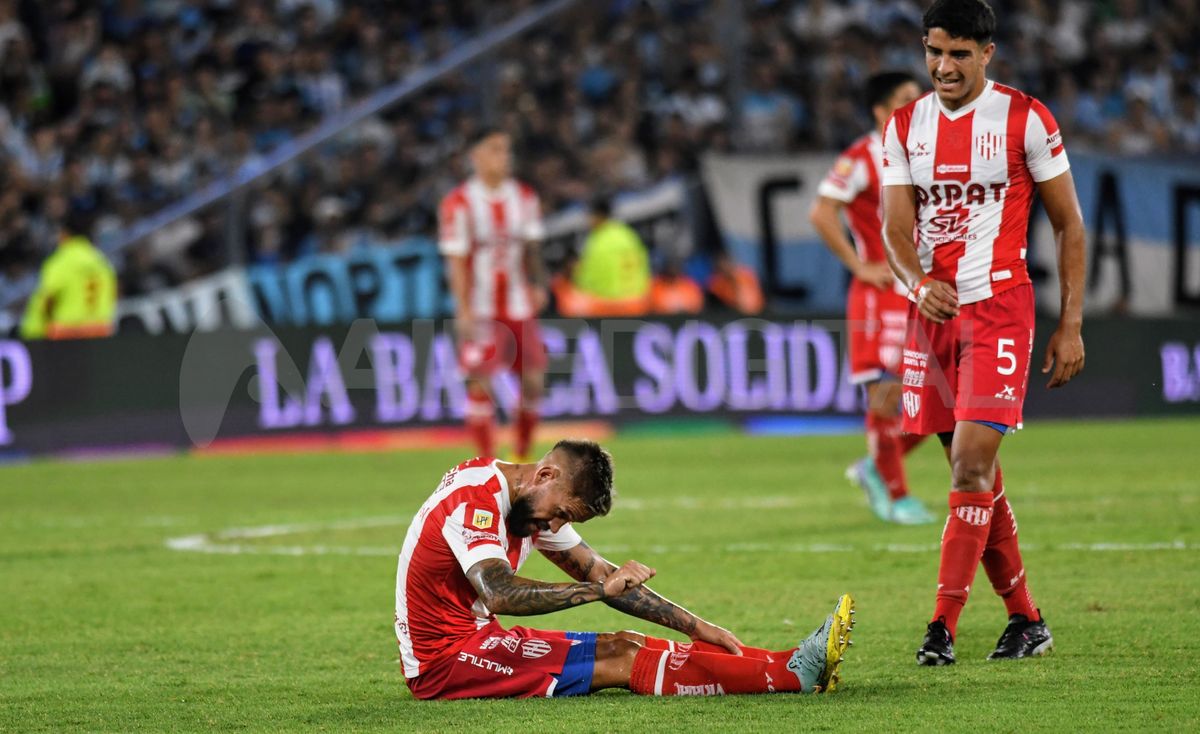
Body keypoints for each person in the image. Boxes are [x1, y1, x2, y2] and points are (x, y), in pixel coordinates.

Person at [880, 0, 1085, 665]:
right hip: (931, 315)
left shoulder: (1026, 118)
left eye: (959, 54)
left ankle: (941, 626)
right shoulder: (906, 126)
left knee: (971, 465)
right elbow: (892, 228)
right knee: (977, 476)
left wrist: (1071, 323)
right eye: (935, 52)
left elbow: (1068, 225)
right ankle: (1026, 619)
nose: (944, 66)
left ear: (987, 54)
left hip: (999, 309)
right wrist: (917, 285)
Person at [394, 438, 855, 700]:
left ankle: (784, 661)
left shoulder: (530, 501)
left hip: (479, 639)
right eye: (563, 513)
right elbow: (500, 593)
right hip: (444, 662)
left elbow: (599, 573)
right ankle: (790, 677)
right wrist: (601, 592)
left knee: (629, 643)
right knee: (622, 660)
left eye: (566, 520)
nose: (556, 526)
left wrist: (697, 625)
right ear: (547, 475)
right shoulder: (476, 498)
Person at [809, 71, 936, 526]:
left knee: (945, 404)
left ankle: (876, 467)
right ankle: (896, 494)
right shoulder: (863, 156)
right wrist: (859, 264)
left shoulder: (931, 153)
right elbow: (822, 212)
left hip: (926, 291)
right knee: (886, 395)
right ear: (881, 112)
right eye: (905, 99)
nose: (918, 104)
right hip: (880, 294)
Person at [439, 128, 549, 462]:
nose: (504, 156)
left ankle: (521, 455)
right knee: (480, 382)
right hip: (481, 308)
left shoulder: (525, 197)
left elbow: (532, 249)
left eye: (506, 150)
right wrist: (463, 309)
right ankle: (487, 461)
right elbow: (456, 261)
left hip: (518, 305)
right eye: (495, 149)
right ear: (475, 156)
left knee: (533, 381)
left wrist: (539, 284)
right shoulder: (459, 203)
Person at [19, 210, 117, 340]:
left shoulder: (61, 261)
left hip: (67, 335)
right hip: (100, 332)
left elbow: (48, 298)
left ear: (65, 234)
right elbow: (112, 296)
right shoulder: (102, 262)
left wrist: (32, 330)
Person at [572, 196, 651, 304]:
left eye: (590, 215)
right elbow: (644, 265)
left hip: (611, 305)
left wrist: (576, 273)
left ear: (599, 215)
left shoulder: (598, 240)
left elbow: (587, 280)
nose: (587, 220)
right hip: (638, 302)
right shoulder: (628, 234)